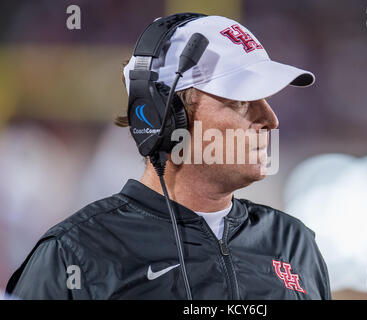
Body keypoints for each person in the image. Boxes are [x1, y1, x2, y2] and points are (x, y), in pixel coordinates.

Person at [6, 13, 331, 300]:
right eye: (240, 102)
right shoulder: (74, 254)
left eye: (266, 99)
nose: (271, 120)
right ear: (164, 117)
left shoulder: (295, 245)